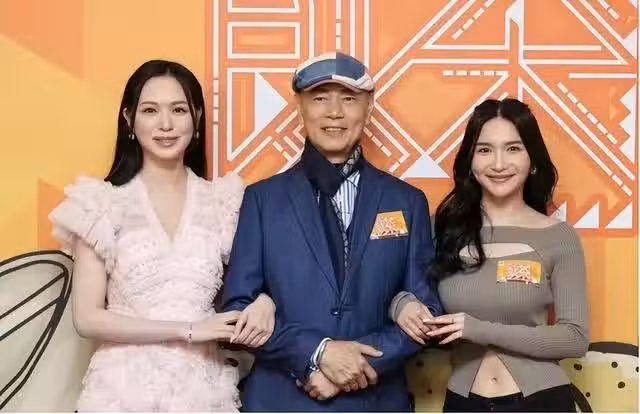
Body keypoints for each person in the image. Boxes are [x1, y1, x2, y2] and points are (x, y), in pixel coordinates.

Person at [49, 59, 275, 412]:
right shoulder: (101, 204)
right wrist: (189, 329)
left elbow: (254, 282)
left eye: (179, 110)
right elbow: (88, 318)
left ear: (197, 117)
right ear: (129, 119)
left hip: (204, 390)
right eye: (150, 110)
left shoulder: (224, 202)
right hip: (121, 391)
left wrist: (266, 302)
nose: (165, 124)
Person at [222, 52, 442, 411]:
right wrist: (317, 354)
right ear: (300, 107)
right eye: (320, 98)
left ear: (369, 107)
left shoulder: (407, 201)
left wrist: (355, 365)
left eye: (349, 99)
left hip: (375, 400)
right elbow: (237, 309)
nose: (334, 112)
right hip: (283, 399)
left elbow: (426, 312)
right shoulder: (262, 199)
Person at [390, 98, 589, 412]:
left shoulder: (558, 236)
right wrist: (400, 304)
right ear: (470, 160)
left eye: (513, 149)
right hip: (463, 403)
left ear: (532, 160)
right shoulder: (440, 230)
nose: (498, 164)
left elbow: (575, 337)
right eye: (484, 150)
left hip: (541, 401)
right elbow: (384, 286)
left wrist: (479, 330)